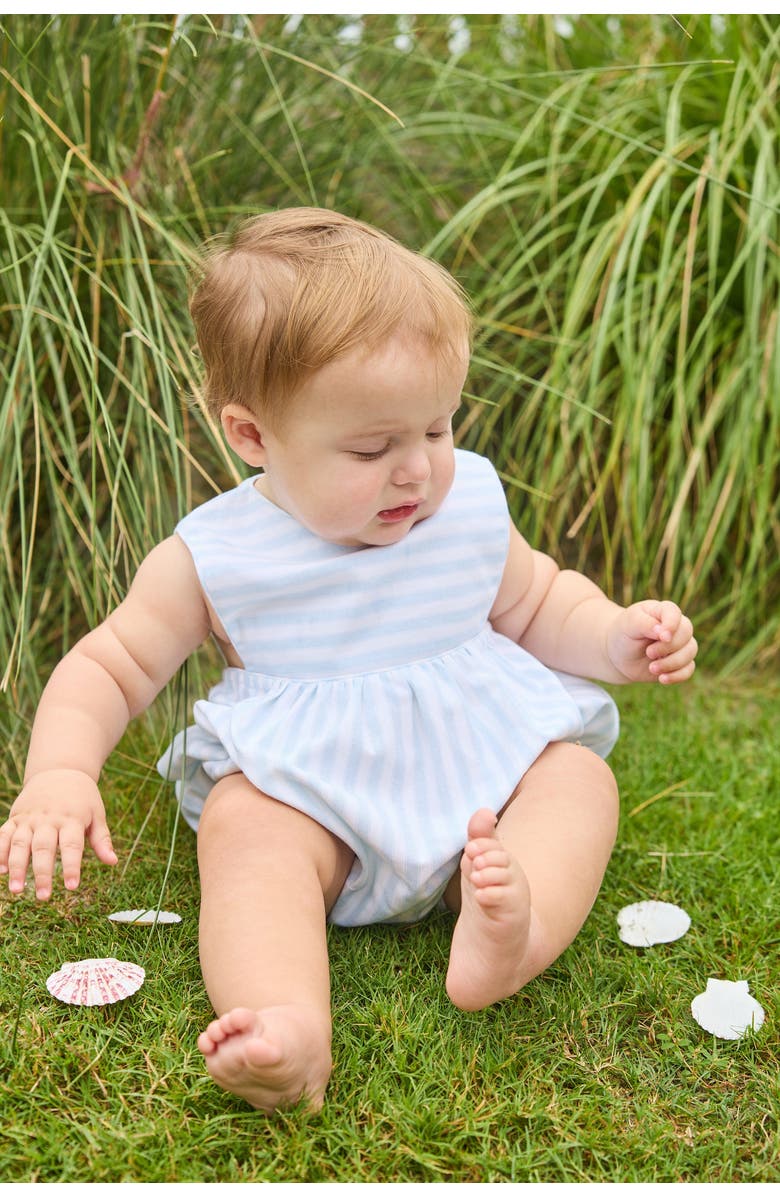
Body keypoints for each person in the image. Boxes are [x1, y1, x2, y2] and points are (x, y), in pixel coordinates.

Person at [0, 207, 697, 1114]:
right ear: (253, 436)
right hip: (316, 799)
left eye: (438, 430)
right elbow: (112, 666)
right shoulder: (217, 555)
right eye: (372, 448)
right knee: (247, 834)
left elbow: (534, 600)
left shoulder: (466, 503)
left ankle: (508, 937)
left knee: (575, 783)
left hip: (485, 776)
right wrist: (59, 771)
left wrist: (611, 637)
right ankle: (286, 1027)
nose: (416, 471)